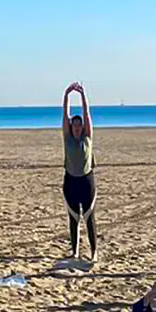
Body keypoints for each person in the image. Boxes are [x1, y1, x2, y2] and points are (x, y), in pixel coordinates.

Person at [62, 82, 97, 261]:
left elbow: (87, 114)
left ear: (82, 127)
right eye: (73, 125)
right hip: (70, 181)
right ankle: (75, 252)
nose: (76, 127)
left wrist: (82, 95)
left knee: (89, 218)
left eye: (78, 125)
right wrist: (67, 95)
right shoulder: (67, 138)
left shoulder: (87, 137)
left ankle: (93, 253)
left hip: (86, 181)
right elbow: (65, 115)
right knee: (73, 218)